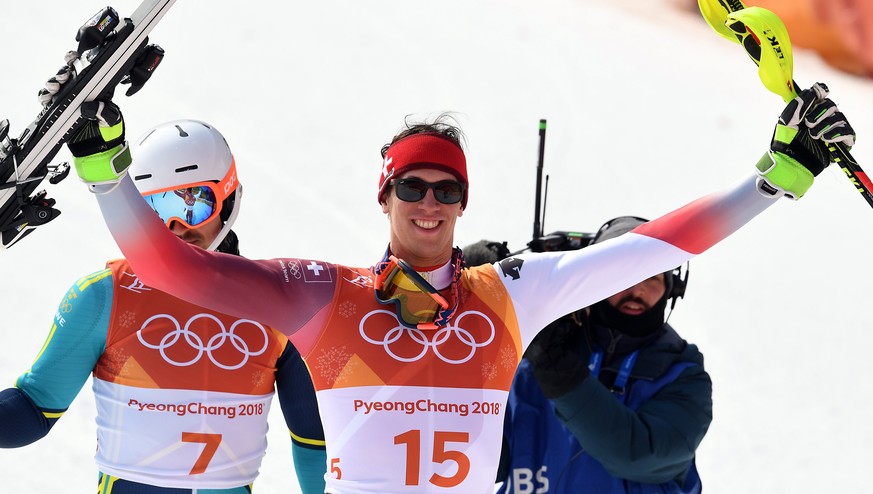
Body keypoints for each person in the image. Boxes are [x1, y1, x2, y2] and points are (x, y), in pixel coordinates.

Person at [60, 71, 852, 492]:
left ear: (464, 201)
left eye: (446, 189)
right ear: (384, 196)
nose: (430, 203)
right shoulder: (323, 293)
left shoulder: (511, 292)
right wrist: (104, 172)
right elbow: (170, 267)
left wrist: (773, 179)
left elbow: (652, 248)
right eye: (412, 187)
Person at [0, 119, 327, 493]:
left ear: (229, 198)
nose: (175, 226)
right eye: (154, 209)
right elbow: (30, 411)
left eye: (193, 204)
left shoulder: (278, 303)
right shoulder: (105, 296)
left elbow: (315, 444)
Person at [484, 216, 710, 494]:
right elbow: (476, 459)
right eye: (623, 275)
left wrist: (558, 371)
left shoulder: (684, 375)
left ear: (672, 289)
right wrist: (471, 298)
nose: (637, 289)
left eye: (652, 276)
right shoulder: (528, 362)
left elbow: (638, 455)